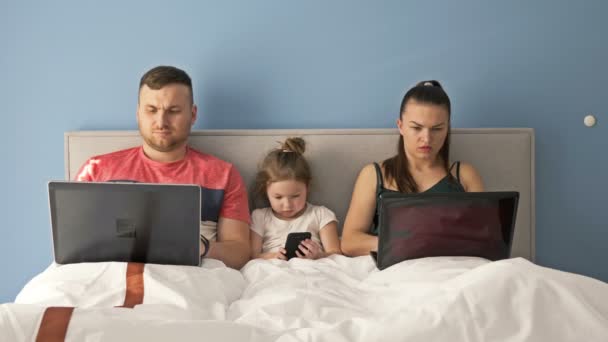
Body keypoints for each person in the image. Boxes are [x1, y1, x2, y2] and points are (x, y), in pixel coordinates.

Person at [75, 65, 251, 269]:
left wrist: (199, 247)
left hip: (190, 277)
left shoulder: (223, 174)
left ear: (193, 115)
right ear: (138, 113)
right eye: (151, 110)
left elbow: (239, 253)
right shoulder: (96, 170)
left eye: (173, 111)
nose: (161, 122)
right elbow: (75, 244)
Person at [341, 80, 484, 257]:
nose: (427, 138)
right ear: (400, 126)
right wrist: (408, 244)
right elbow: (349, 242)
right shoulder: (373, 174)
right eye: (416, 128)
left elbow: (484, 240)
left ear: (447, 129)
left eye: (437, 129)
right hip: (396, 271)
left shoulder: (464, 175)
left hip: (451, 270)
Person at [249, 137, 341, 260]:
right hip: (273, 270)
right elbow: (252, 256)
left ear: (307, 188)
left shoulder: (321, 215)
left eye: (295, 196)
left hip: (313, 269)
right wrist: (274, 256)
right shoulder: (260, 217)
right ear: (266, 191)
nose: (287, 205)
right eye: (278, 197)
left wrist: (319, 255)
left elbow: (336, 254)